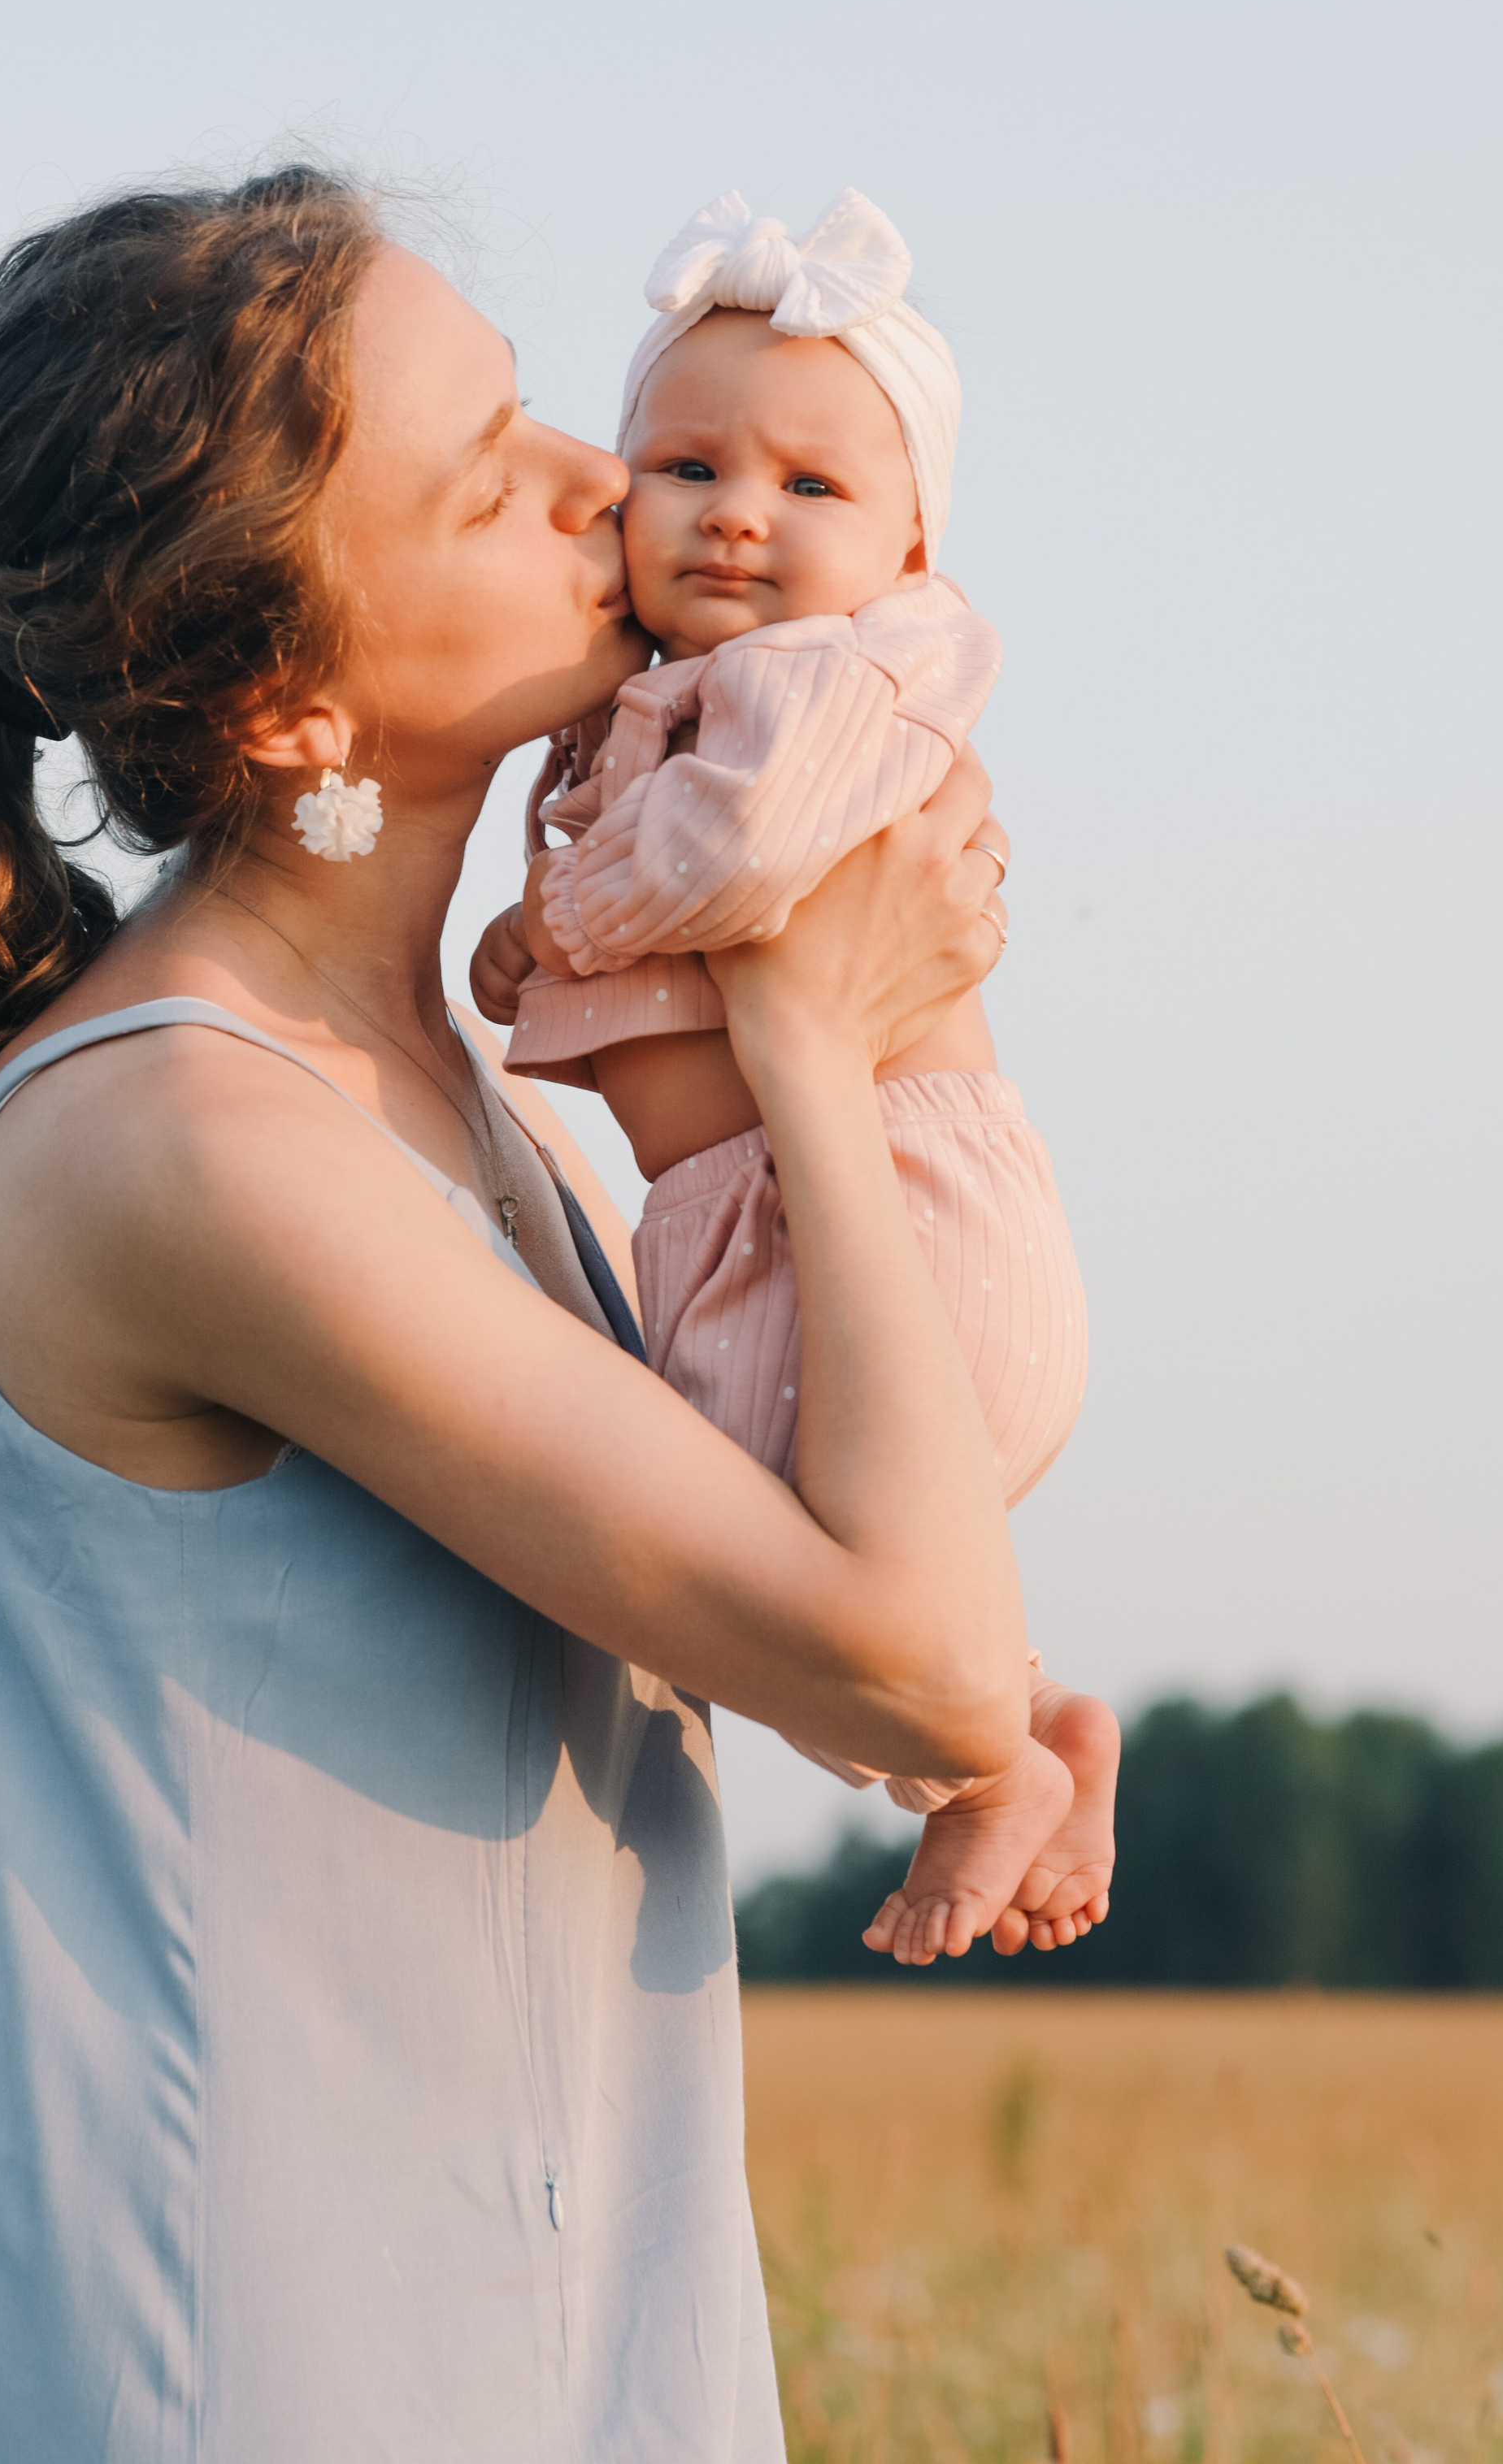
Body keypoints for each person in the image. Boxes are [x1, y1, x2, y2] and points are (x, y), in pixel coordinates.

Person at [0, 167, 1038, 2462]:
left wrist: (1005, 1719)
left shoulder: (467, 1108)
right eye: (486, 476)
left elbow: (842, 1633)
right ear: (285, 693)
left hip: (516, 2350)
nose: (598, 484)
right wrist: (815, 1043)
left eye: (546, 411)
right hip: (241, 2379)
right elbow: (886, 1646)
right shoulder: (189, 1148)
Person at [471, 189, 1118, 1967]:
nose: (737, 513)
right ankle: (1029, 1720)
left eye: (812, 488)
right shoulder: (679, 700)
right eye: (682, 466)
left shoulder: (840, 674)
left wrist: (566, 914)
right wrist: (546, 946)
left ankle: (979, 1759)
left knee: (774, 1581)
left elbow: (739, 860)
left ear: (916, 552)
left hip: (884, 1214)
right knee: (742, 1572)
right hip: (774, 1223)